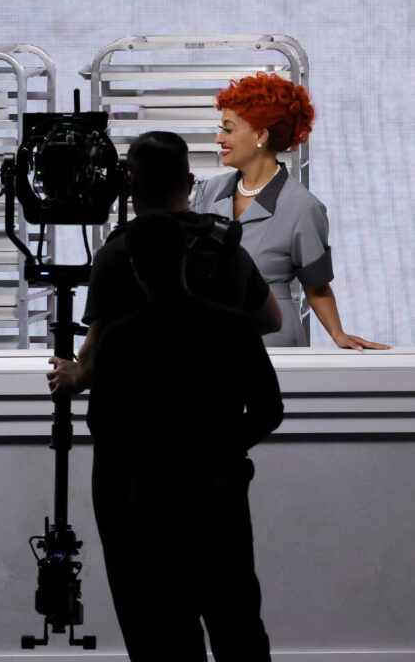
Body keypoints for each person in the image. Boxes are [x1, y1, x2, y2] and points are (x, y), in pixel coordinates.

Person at [86, 213, 284, 661]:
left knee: (171, 632)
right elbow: (269, 411)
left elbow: (102, 425)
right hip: (221, 495)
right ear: (186, 256)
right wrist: (223, 445)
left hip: (153, 503)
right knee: (238, 627)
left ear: (136, 267)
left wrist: (149, 455)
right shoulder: (232, 326)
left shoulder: (120, 338)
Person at [47, 130, 281, 395]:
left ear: (129, 183)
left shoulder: (116, 253)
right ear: (190, 182)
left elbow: (90, 365)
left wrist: (74, 376)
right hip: (215, 422)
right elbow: (271, 320)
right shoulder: (226, 247)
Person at [191, 72, 389, 350]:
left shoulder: (303, 207)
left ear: (261, 134)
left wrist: (338, 334)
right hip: (205, 338)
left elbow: (316, 287)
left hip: (271, 341)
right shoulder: (206, 193)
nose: (217, 138)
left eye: (228, 128)